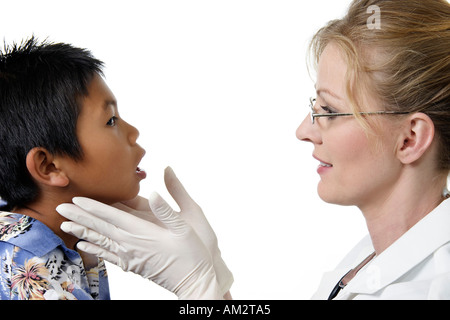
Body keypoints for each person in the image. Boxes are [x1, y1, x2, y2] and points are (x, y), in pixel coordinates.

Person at [57, 0, 449, 299]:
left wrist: (200, 288)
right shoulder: (378, 257)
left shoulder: (433, 284)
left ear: (410, 138)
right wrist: (212, 280)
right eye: (313, 108)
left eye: (329, 111)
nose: (303, 131)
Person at [0, 37, 148, 299]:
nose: (134, 133)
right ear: (49, 166)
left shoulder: (72, 240)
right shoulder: (28, 266)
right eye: (111, 120)